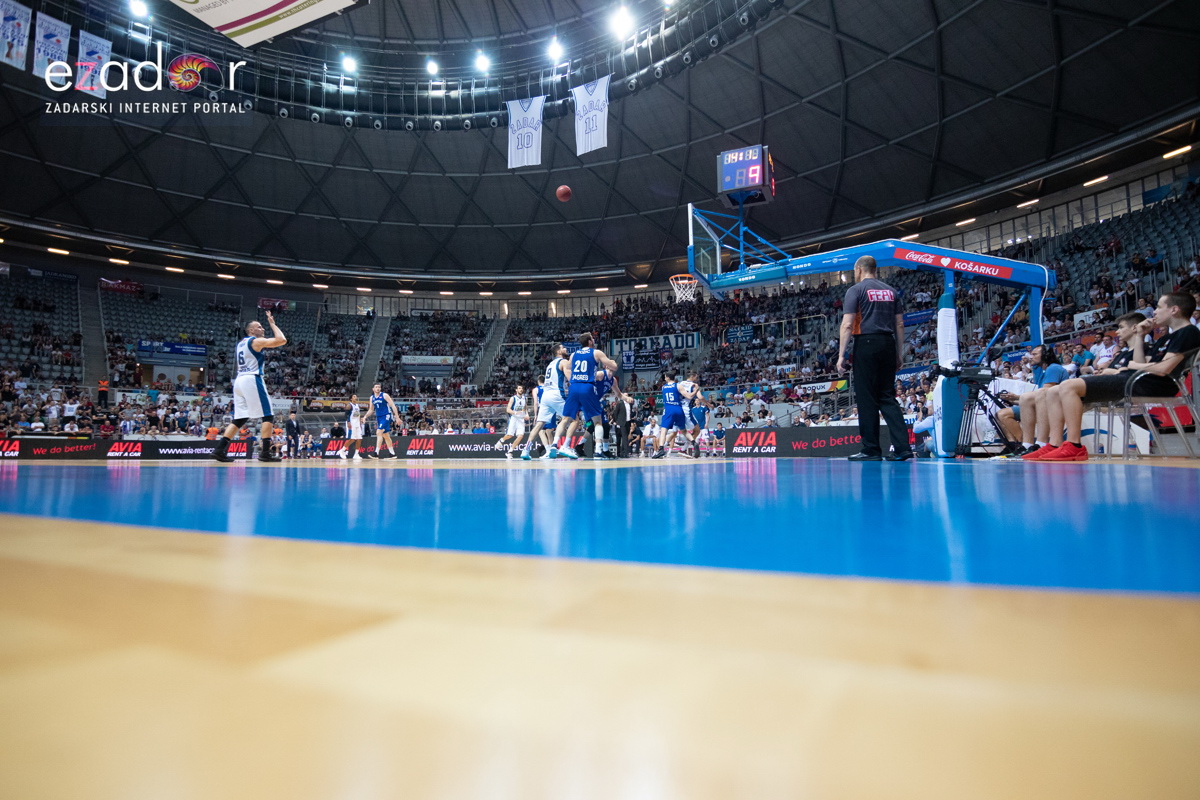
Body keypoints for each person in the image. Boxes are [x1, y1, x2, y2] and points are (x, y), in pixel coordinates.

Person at [1032, 294, 1200, 461]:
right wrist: (1140, 336)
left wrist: (1134, 366)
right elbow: (1142, 362)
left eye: (1159, 307)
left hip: (1153, 384)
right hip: (1136, 379)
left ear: (1174, 310)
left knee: (1068, 386)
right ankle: (1054, 444)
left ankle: (1074, 446)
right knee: (1054, 391)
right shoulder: (1167, 337)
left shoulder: (1188, 332)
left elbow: (1163, 369)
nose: (1154, 312)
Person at [837, 255, 913, 461]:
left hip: (866, 344)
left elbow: (847, 324)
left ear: (859, 269)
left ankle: (871, 449)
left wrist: (841, 355)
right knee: (887, 396)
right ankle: (903, 448)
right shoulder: (891, 291)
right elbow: (899, 325)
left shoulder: (856, 290)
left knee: (867, 398)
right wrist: (898, 353)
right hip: (888, 343)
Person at [213, 311, 287, 463]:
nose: (263, 329)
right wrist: (272, 323)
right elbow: (282, 340)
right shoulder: (255, 341)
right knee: (267, 415)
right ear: (252, 330)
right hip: (252, 379)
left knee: (240, 418)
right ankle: (265, 452)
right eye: (260, 327)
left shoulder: (241, 343)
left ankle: (219, 450)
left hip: (239, 381)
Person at [552, 333, 618, 461]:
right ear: (589, 341)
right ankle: (598, 450)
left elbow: (569, 367)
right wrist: (608, 363)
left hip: (574, 386)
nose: (593, 340)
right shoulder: (596, 353)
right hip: (587, 387)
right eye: (592, 339)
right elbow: (614, 366)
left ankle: (555, 444)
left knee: (565, 418)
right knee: (597, 421)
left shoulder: (574, 354)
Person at [994, 344, 1067, 457]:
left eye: (1034, 354)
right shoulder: (1042, 371)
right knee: (1001, 414)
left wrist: (1018, 397)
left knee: (1012, 407)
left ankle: (1026, 443)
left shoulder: (1053, 368)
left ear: (1045, 356)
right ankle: (1017, 445)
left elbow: (1045, 394)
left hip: (1054, 406)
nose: (1030, 357)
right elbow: (1038, 397)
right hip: (1041, 403)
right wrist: (1014, 399)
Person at [524, 346, 569, 460]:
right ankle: (558, 446)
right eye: (563, 348)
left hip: (545, 396)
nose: (565, 348)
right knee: (573, 419)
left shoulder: (550, 364)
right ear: (558, 351)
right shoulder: (563, 361)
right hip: (556, 394)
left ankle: (526, 450)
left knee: (539, 424)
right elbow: (571, 378)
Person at [652, 371, 693, 459]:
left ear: (667, 377)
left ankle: (661, 449)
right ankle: (694, 443)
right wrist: (696, 390)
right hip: (678, 409)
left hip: (669, 410)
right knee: (684, 430)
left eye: (665, 377)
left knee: (664, 431)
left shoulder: (663, 387)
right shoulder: (678, 385)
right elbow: (689, 397)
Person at [366, 383, 401, 459]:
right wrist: (365, 416)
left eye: (379, 387)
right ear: (373, 389)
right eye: (376, 387)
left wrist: (397, 417)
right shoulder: (372, 398)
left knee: (379, 432)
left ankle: (376, 453)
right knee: (386, 435)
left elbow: (393, 405)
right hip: (379, 417)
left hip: (386, 415)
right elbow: (371, 410)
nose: (378, 388)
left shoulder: (385, 395)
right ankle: (392, 454)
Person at [494, 383, 529, 460]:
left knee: (520, 436)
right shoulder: (513, 398)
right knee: (510, 435)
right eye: (519, 388)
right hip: (514, 418)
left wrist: (527, 414)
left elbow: (525, 408)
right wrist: (515, 412)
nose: (521, 389)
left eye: (522, 388)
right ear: (516, 390)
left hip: (521, 419)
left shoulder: (525, 398)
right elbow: (508, 409)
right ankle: (501, 440)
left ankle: (509, 452)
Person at [340, 395, 366, 461]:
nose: (356, 397)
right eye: (354, 396)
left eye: (356, 396)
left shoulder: (357, 405)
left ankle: (356, 454)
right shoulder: (349, 405)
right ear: (351, 398)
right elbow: (346, 415)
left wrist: (360, 422)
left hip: (357, 423)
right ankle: (342, 451)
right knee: (352, 439)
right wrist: (348, 422)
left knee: (359, 438)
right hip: (351, 423)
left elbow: (358, 414)